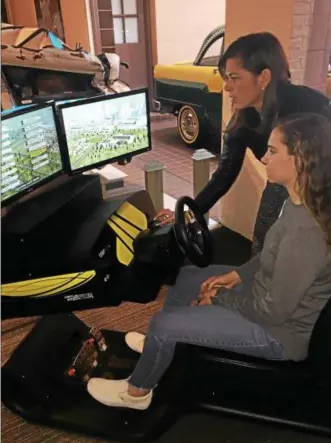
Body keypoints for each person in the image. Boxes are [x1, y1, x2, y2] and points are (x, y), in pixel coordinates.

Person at [87, 113, 331, 410]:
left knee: (165, 324)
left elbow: (274, 312)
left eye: (273, 151)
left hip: (280, 333)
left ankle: (136, 393)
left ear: (301, 160)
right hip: (265, 296)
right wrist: (237, 276)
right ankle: (166, 347)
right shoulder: (295, 201)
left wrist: (220, 298)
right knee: (188, 278)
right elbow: (271, 254)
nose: (264, 158)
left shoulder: (305, 234)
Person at [156, 32, 331, 257]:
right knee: (262, 247)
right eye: (226, 78)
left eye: (235, 77)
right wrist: (189, 214)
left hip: (321, 191)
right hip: (281, 187)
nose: (227, 87)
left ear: (263, 77)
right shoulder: (244, 120)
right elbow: (224, 174)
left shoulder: (310, 107)